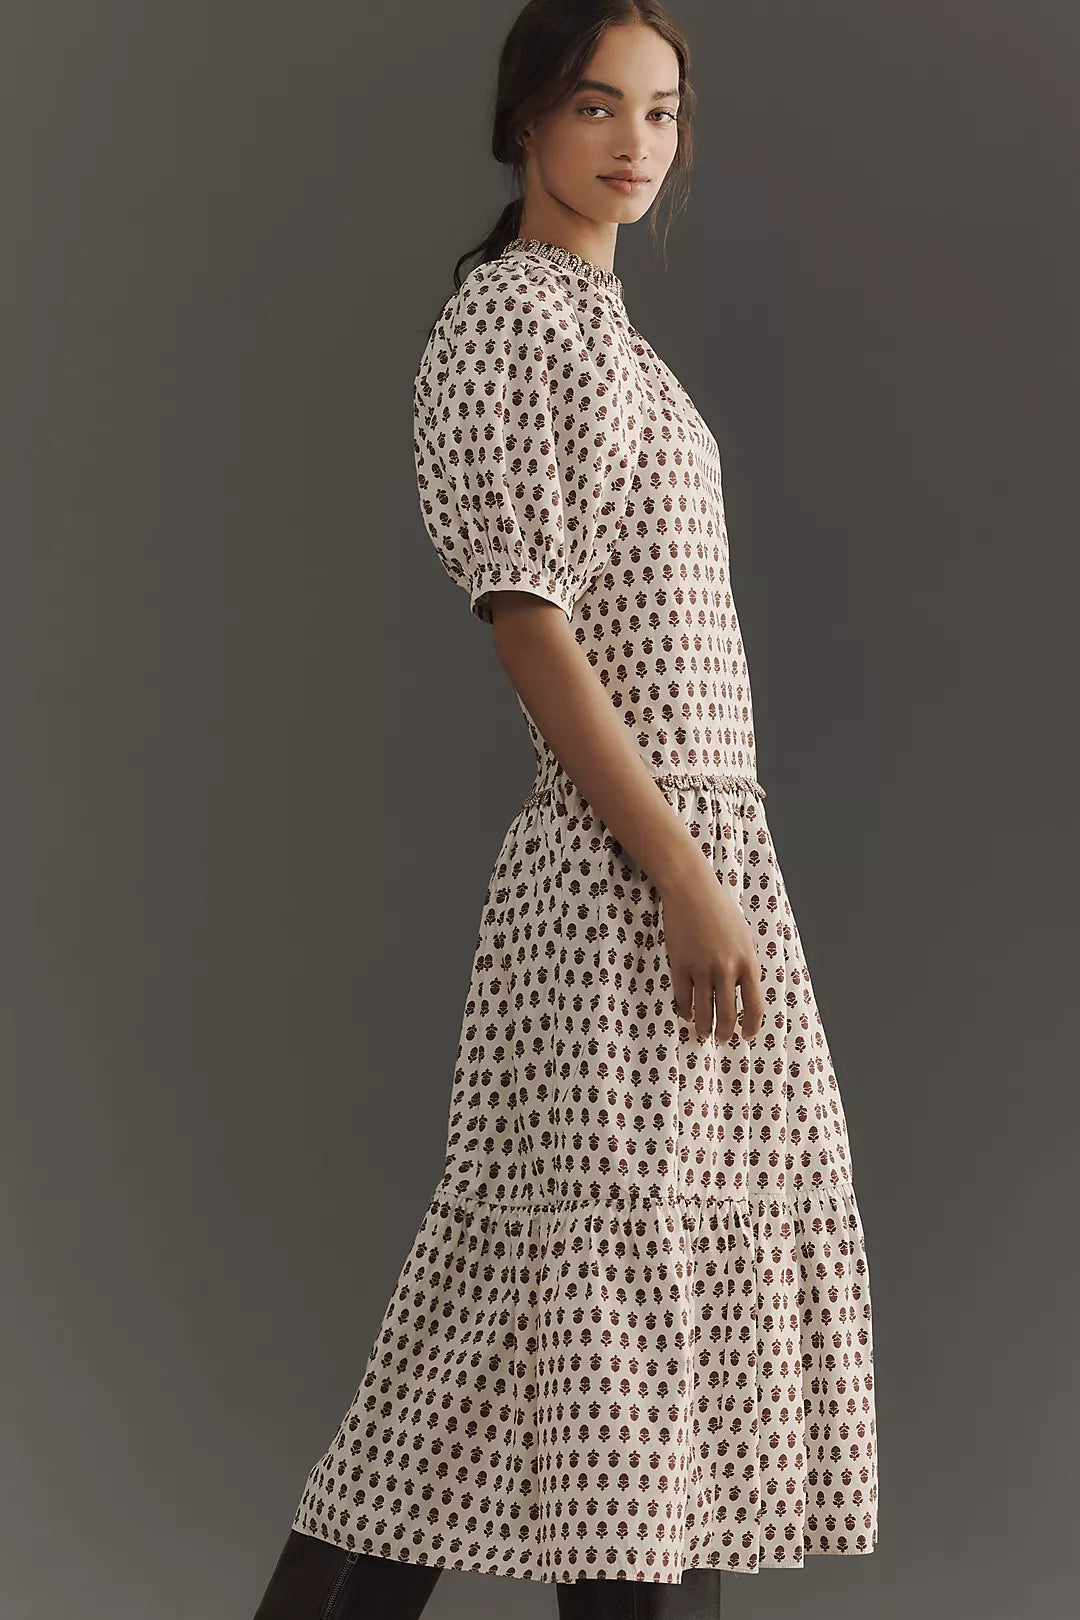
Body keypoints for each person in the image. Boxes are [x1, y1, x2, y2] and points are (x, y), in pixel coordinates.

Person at [253, 2, 878, 1615]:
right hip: (622, 896)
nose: (634, 143)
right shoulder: (514, 324)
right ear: (525, 117)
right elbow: (529, 623)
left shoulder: (607, 339)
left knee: (583, 1375)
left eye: (662, 114)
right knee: (583, 1344)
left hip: (683, 878)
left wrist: (705, 872)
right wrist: (679, 870)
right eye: (598, 106)